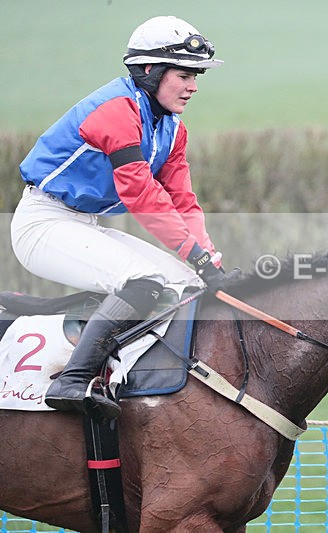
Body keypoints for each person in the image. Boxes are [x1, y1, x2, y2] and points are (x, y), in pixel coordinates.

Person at [10, 15, 240, 419]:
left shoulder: (173, 128)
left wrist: (208, 257)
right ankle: (73, 380)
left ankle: (132, 376)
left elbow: (183, 200)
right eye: (185, 75)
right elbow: (141, 195)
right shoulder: (117, 110)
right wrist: (193, 252)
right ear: (150, 71)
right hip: (42, 223)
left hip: (81, 223)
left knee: (187, 283)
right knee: (145, 282)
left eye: (196, 76)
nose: (193, 87)